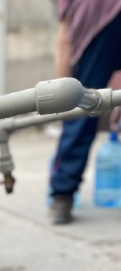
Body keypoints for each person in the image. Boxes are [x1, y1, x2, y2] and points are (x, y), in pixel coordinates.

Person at [50, 0, 121, 224]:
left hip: (99, 24)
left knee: (82, 106)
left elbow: (65, 40)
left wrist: (61, 100)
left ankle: (63, 193)